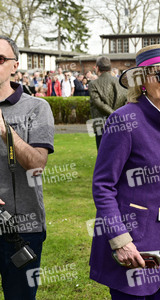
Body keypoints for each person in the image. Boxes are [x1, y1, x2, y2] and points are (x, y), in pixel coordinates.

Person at [89, 44, 160, 300]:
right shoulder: (124, 118)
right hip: (133, 243)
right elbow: (103, 185)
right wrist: (120, 239)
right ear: (141, 81)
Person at [0, 35, 54, 300]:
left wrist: (4, 131)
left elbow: (37, 164)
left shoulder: (36, 108)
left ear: (14, 65)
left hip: (22, 229)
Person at [88, 56, 127, 149]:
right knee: (118, 154)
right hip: (119, 123)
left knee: (103, 154)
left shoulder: (93, 84)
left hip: (101, 124)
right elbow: (126, 101)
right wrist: (118, 116)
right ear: (110, 68)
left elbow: (99, 104)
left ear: (97, 68)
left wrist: (114, 114)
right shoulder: (120, 82)